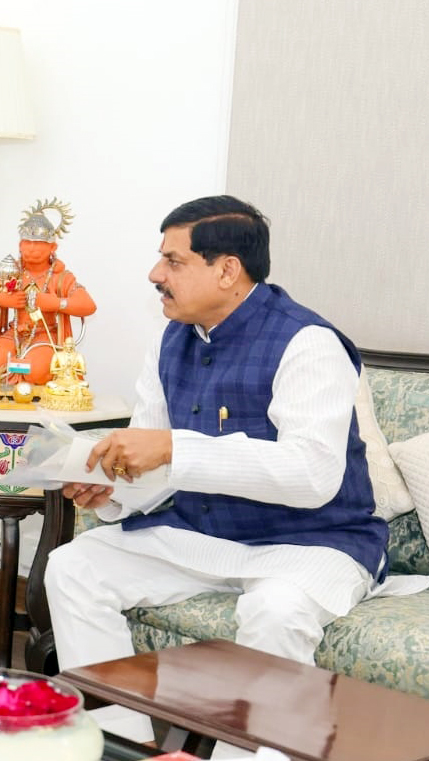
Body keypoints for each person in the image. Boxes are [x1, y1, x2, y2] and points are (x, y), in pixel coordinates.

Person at [45, 195, 411, 746]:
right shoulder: (170, 339)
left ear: (227, 270)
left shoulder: (308, 343)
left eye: (173, 261)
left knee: (275, 610)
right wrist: (111, 490)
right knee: (74, 567)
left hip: (313, 543)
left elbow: (312, 475)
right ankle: (120, 745)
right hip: (205, 535)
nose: (155, 274)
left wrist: (173, 449)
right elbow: (153, 460)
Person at [0, 199, 96, 385]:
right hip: (15, 333)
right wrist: (0, 299)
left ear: (53, 247)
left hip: (45, 335)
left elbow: (89, 306)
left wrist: (56, 303)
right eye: (27, 243)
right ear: (20, 245)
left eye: (38, 243)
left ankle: (26, 384)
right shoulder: (12, 273)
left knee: (36, 372)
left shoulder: (61, 277)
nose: (31, 249)